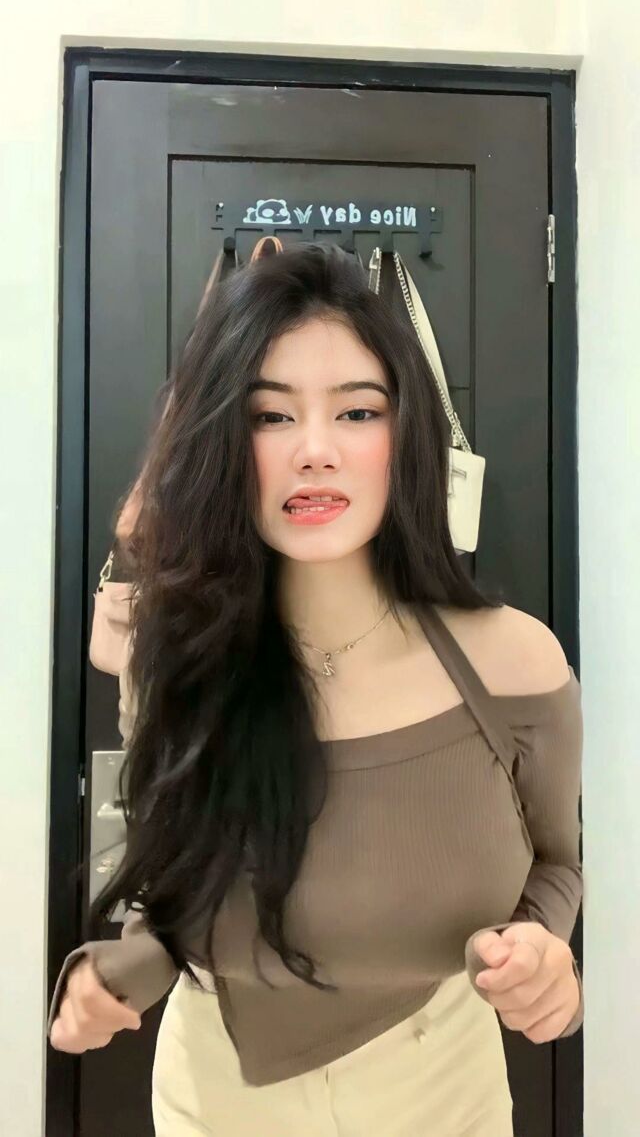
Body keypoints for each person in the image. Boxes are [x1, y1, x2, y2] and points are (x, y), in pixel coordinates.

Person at [48, 242, 583, 1137]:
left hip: (442, 1094)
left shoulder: (514, 662)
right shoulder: (176, 659)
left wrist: (544, 953)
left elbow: (558, 862)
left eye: (357, 410)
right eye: (270, 416)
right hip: (215, 1099)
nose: (316, 450)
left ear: (406, 434)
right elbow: (172, 886)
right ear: (223, 443)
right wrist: (117, 971)